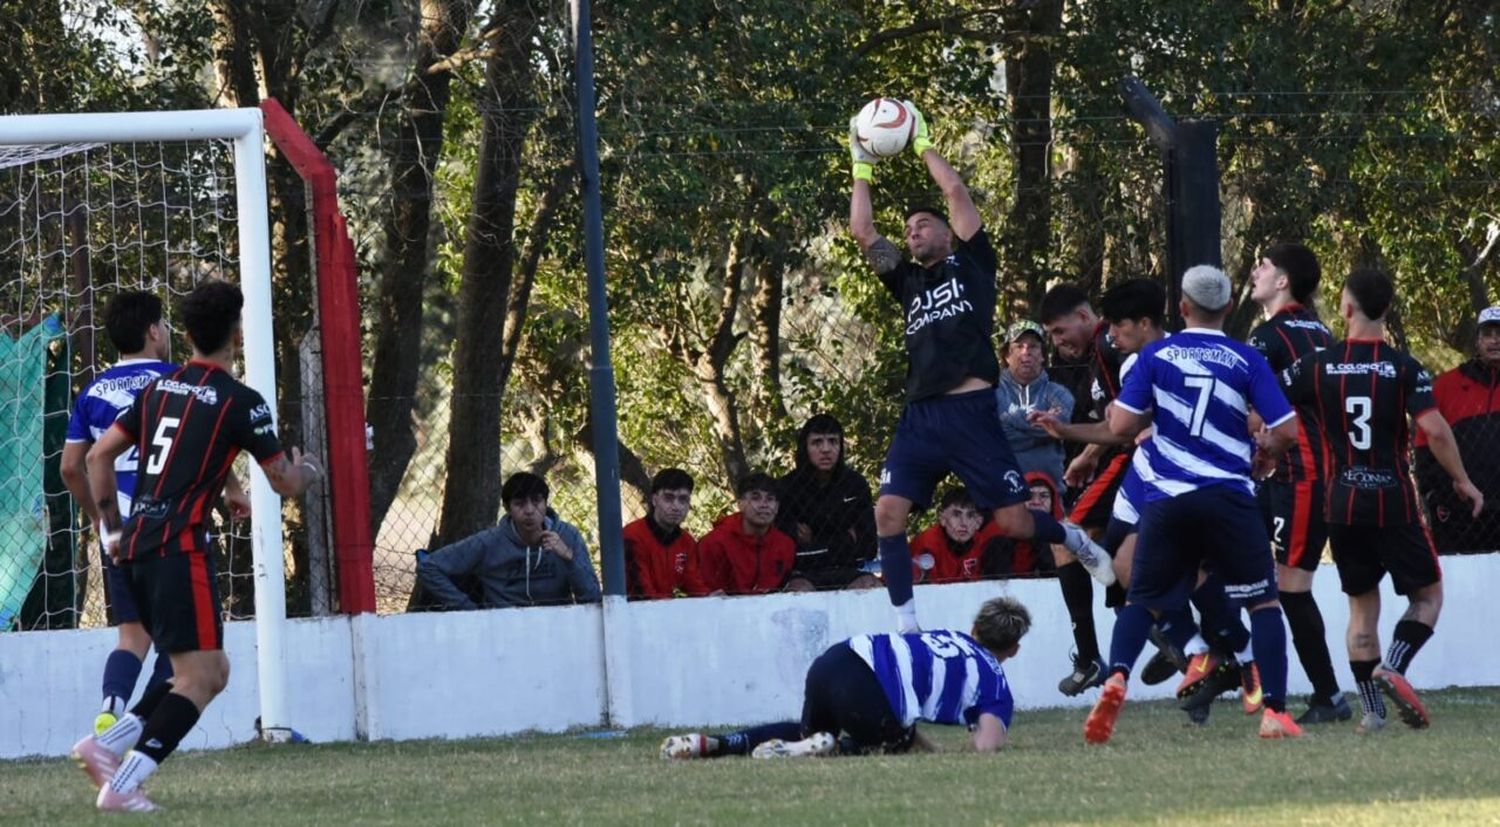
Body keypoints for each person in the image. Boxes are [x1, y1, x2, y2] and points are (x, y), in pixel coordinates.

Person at [845, 100, 1107, 637]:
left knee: (1013, 522)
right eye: (910, 228)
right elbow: (864, 232)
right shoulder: (908, 282)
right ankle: (908, 626)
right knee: (887, 517)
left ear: (947, 233)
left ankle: (1073, 538)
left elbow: (956, 193)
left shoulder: (972, 265)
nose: (914, 232)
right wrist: (860, 165)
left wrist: (919, 142)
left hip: (970, 412)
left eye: (924, 225)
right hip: (920, 417)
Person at [70, 280, 322, 812]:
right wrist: (307, 470)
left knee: (211, 672)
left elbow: (95, 459)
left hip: (137, 543)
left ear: (184, 335)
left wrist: (112, 530)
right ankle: (123, 784)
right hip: (177, 549)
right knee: (200, 678)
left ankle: (106, 743)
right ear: (236, 333)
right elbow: (282, 483)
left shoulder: (160, 389)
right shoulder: (242, 403)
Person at [1084, 265, 1305, 744]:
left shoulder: (1155, 355)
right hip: (1228, 496)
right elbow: (1287, 430)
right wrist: (1267, 451)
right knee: (1265, 604)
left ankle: (1116, 676)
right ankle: (1276, 713)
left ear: (1181, 308)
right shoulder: (1247, 359)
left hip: (1169, 498)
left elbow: (1121, 427)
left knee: (1141, 599)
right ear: (1228, 308)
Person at [1282, 269, 1484, 733]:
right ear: (1388, 309)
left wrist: (1267, 448)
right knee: (1428, 595)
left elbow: (1267, 405)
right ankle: (1393, 666)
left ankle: (1372, 712)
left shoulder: (1317, 364)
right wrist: (1462, 480)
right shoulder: (1405, 367)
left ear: (1346, 307)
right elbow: (1433, 429)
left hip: (1341, 503)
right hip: (1393, 501)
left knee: (1361, 610)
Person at [659, 596, 1032, 759]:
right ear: (1014, 649)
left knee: (814, 730)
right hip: (869, 690)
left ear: (973, 628)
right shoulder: (995, 682)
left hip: (838, 659)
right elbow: (986, 746)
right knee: (894, 745)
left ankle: (719, 745)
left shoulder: (944, 637)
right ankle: (814, 750)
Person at [56, 292, 186, 735]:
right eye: (164, 325)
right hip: (170, 526)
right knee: (186, 637)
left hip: (120, 527)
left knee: (132, 635)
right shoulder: (178, 382)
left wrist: (98, 516)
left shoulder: (92, 393)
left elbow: (71, 467)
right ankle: (138, 723)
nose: (165, 332)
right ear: (153, 331)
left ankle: (111, 706)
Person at [1244, 243, 1350, 724]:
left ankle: (1328, 695)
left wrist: (1258, 446)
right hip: (1299, 472)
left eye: (1263, 266)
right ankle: (1232, 666)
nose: (1255, 272)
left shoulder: (1269, 336)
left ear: (1283, 281)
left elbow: (1253, 407)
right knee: (1231, 556)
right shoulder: (1321, 330)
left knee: (1291, 587)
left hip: (1302, 476)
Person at [1037, 283, 1129, 694]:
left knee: (1067, 538)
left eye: (1059, 331)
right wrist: (1090, 453)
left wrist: (1090, 453)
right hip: (1129, 458)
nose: (1056, 342)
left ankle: (1092, 657)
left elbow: (1130, 419)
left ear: (1085, 317)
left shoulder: (1111, 345)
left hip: (1132, 459)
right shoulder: (1100, 352)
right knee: (1120, 555)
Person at [417, 472, 601, 610]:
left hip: (556, 623)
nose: (529, 510)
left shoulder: (568, 535)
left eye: (536, 501)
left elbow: (592, 599)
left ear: (546, 504)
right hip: (502, 627)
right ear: (508, 509)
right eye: (519, 503)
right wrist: (468, 610)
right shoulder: (489, 541)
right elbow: (428, 566)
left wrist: (569, 558)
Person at [1415, 305, 1500, 554]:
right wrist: (1436, 493)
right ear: (1477, 340)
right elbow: (1424, 443)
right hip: (1460, 512)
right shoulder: (1447, 386)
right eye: (1488, 333)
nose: (1495, 340)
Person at [776, 414, 879, 591]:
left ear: (840, 446)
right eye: (817, 442)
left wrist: (813, 540)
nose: (826, 449)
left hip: (847, 570)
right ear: (805, 447)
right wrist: (846, 539)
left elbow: (868, 547)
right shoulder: (786, 487)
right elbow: (790, 552)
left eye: (833, 441)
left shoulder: (855, 484)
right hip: (801, 573)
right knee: (798, 591)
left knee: (871, 586)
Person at [995, 319, 1074, 490]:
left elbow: (1061, 426)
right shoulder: (992, 392)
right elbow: (994, 438)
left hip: (1050, 494)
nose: (1026, 352)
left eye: (1033, 346)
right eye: (1019, 346)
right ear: (1007, 355)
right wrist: (1043, 433)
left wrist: (1010, 425)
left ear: (1043, 355)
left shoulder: (1058, 393)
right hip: (1003, 492)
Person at [696, 472, 797, 595]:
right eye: (756, 498)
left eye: (770, 499)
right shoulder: (715, 542)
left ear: (777, 507)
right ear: (740, 504)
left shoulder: (785, 545)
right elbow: (703, 591)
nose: (764, 505)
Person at [622, 468, 710, 599]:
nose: (676, 506)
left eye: (683, 499)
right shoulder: (633, 536)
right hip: (635, 611)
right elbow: (641, 592)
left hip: (664, 609)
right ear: (654, 499)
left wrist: (710, 598)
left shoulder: (686, 541)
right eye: (668, 498)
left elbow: (694, 583)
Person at [908, 486, 999, 584]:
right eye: (956, 514)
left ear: (978, 522)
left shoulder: (984, 546)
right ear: (942, 518)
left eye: (970, 515)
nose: (963, 523)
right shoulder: (926, 545)